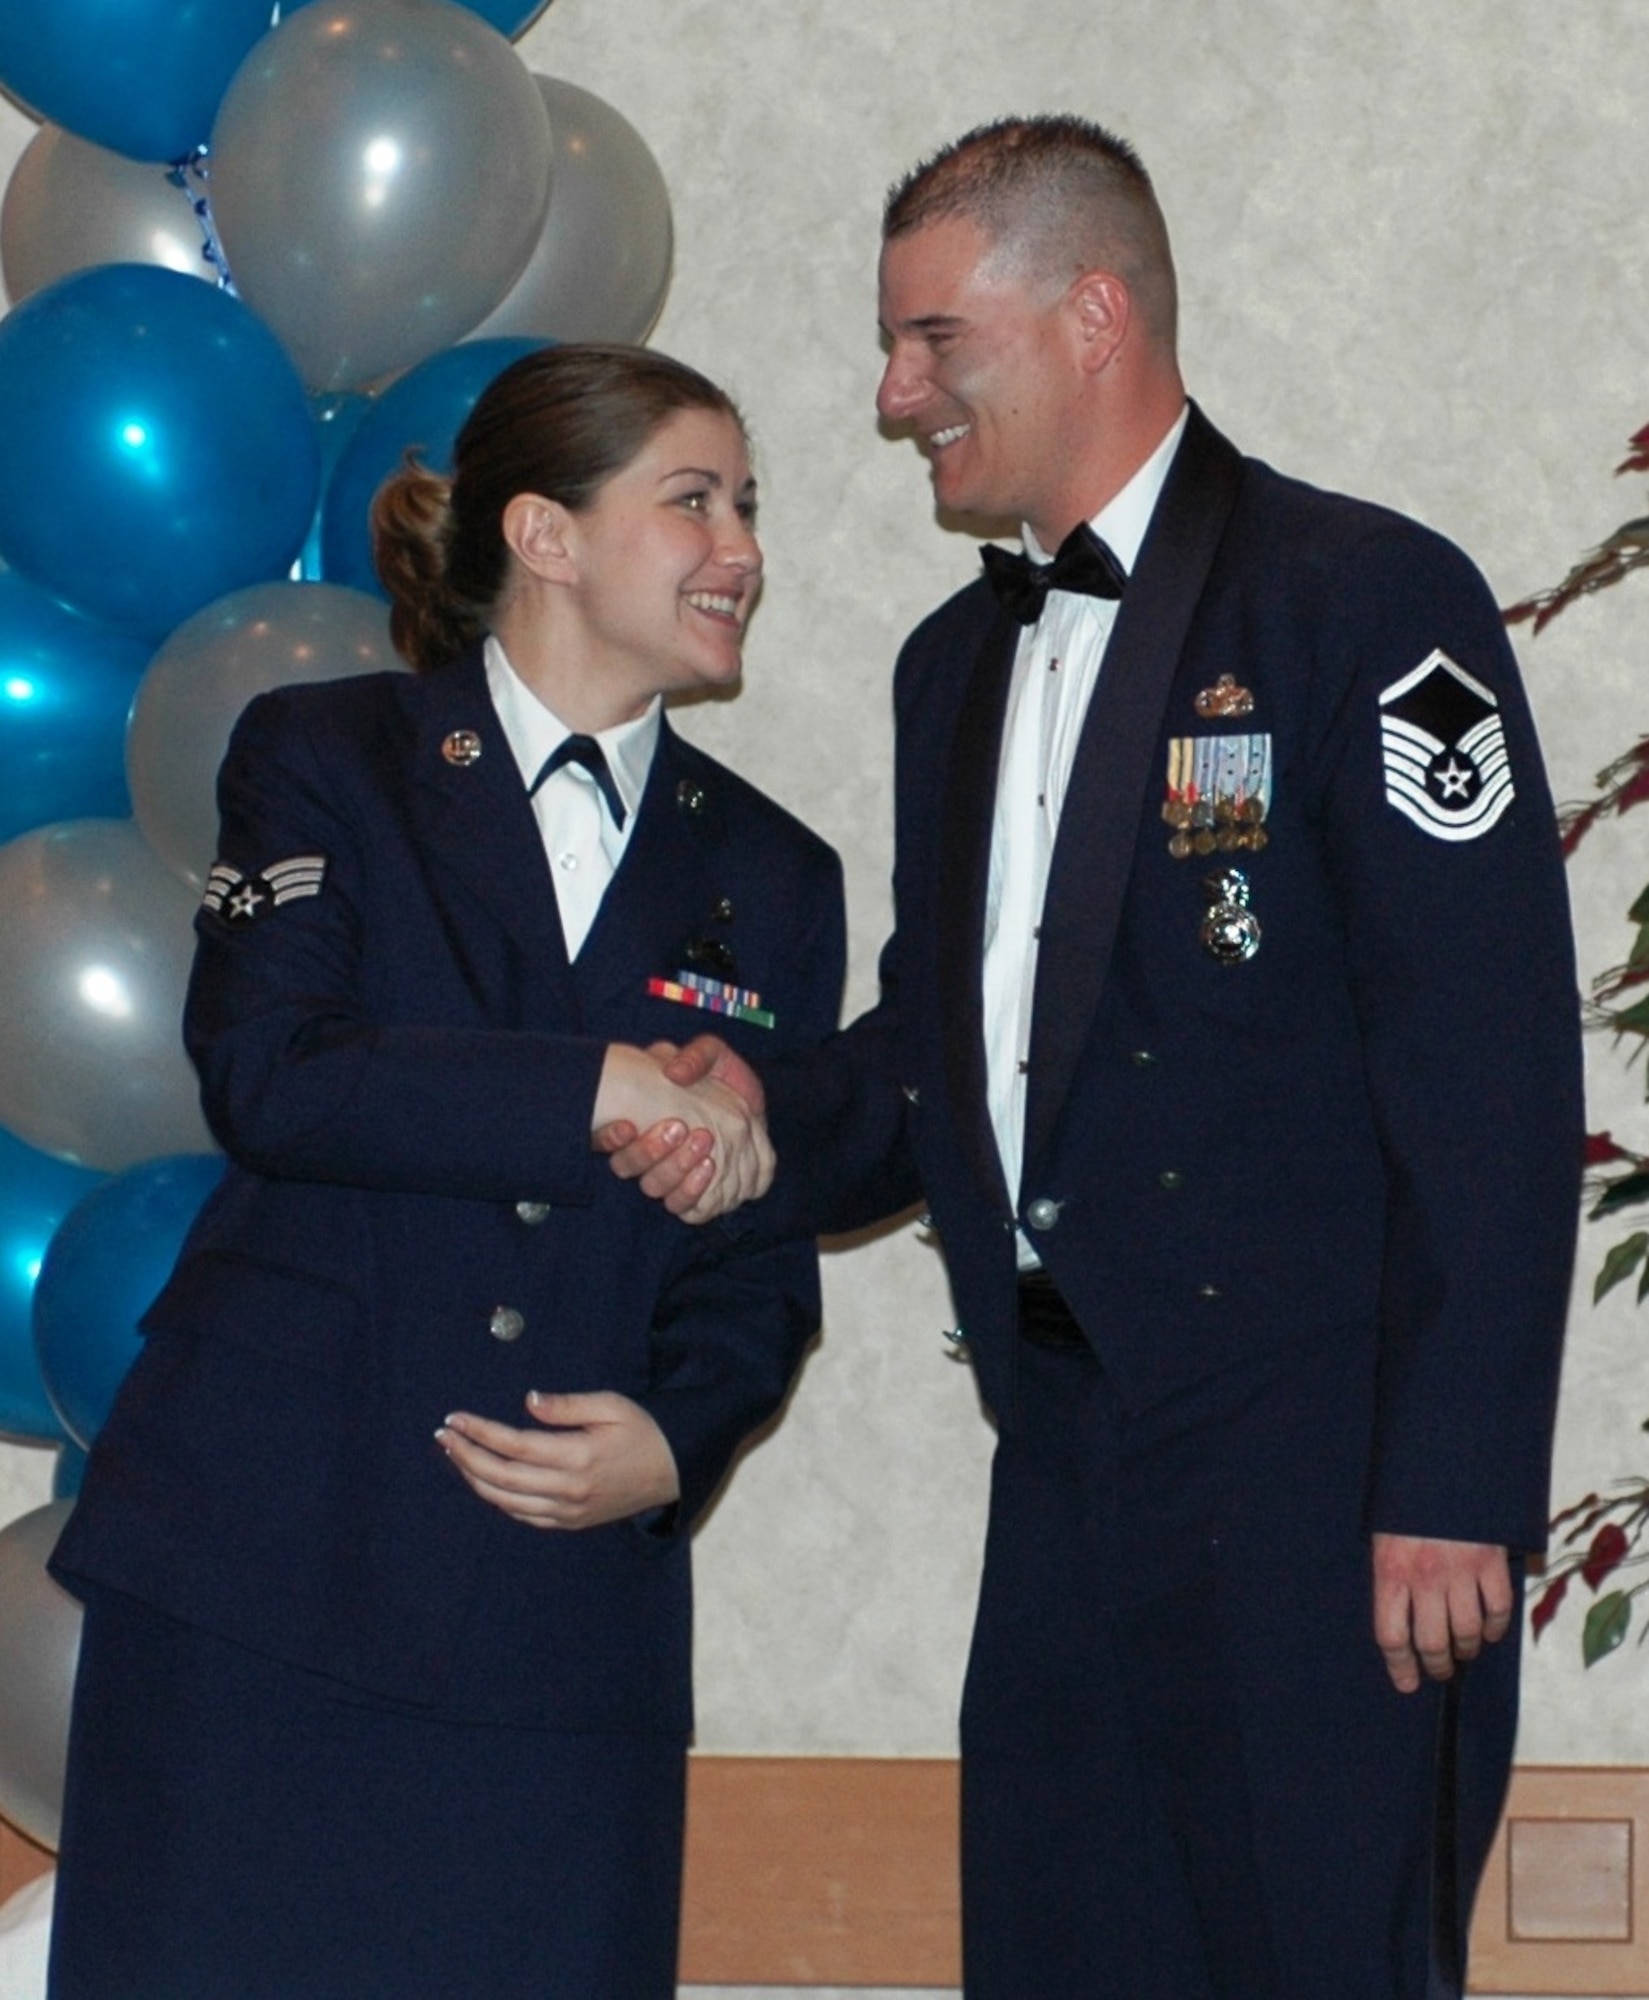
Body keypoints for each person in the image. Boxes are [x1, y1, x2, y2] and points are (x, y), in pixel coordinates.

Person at [606, 118, 1584, 1998]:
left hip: (1325, 1493)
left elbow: (1486, 1072)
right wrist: (751, 1114)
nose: (894, 398)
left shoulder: (1361, 600)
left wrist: (1455, 1483)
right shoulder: (943, 672)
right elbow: (942, 1057)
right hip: (1059, 1464)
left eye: (930, 341)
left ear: (1091, 315)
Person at [46, 343, 846, 2000]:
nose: (742, 547)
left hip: (558, 1633)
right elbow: (274, 1076)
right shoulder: (326, 753)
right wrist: (593, 1086)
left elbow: (757, 1244)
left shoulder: (773, 871)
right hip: (263, 1583)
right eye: (690, 499)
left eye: (748, 506)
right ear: (544, 535)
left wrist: (679, 1434)